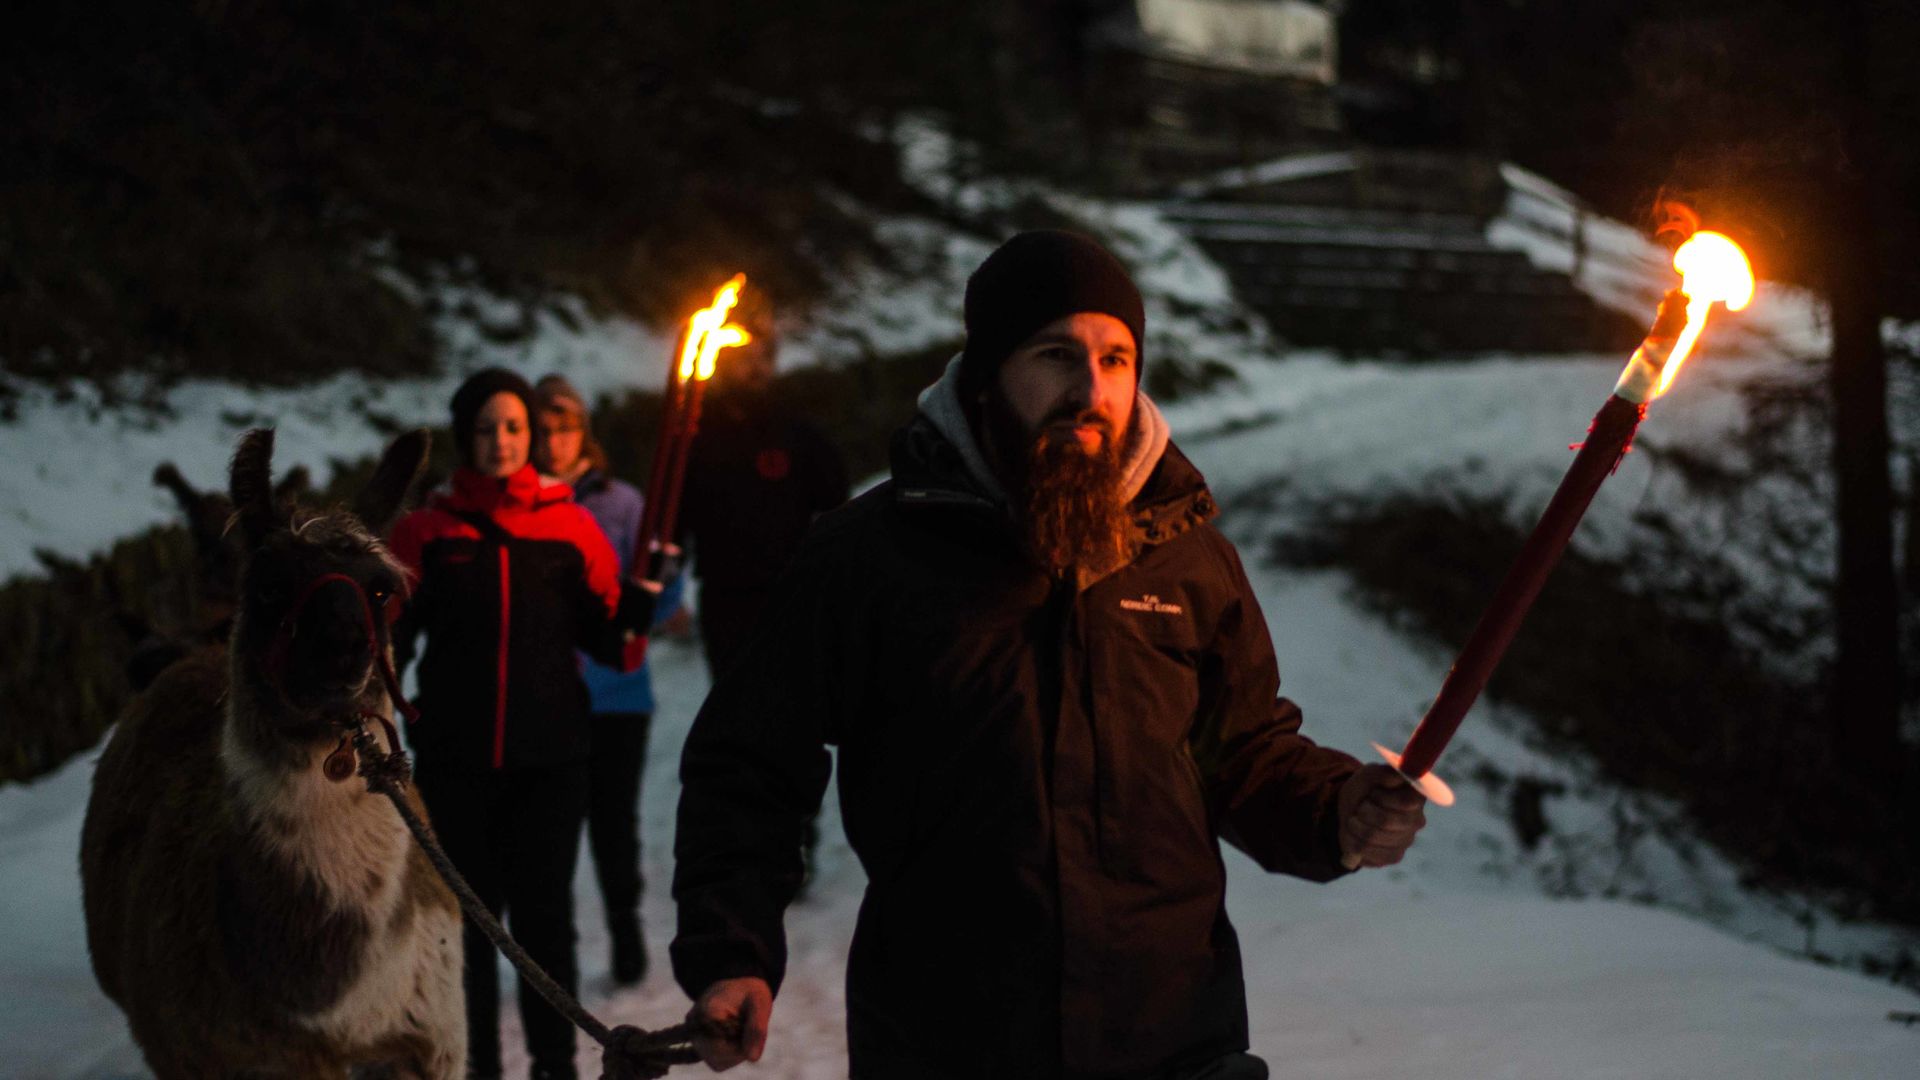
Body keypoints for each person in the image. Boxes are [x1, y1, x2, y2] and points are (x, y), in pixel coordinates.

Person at [671, 231, 1428, 1079]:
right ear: (991, 373)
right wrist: (732, 950)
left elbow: (1243, 752)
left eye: (1116, 359)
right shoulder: (867, 560)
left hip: (1173, 1040)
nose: (1091, 389)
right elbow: (750, 762)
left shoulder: (1188, 557)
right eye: (1056, 355)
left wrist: (1337, 811)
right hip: (948, 1044)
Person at [388, 368, 653, 1080]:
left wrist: (638, 606)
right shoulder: (425, 533)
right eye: (486, 428)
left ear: (530, 435)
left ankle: (554, 1066)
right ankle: (476, 1070)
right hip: (455, 765)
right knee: (465, 933)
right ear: (464, 437)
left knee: (544, 928)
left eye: (513, 427)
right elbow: (386, 641)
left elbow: (615, 647)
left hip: (551, 765)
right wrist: (400, 707)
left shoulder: (570, 524)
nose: (501, 441)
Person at [531, 373, 684, 987]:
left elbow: (659, 596)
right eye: (543, 429)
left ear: (582, 432)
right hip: (545, 695)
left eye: (565, 428)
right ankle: (555, 954)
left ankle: (627, 940)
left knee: (614, 823)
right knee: (552, 830)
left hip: (618, 692)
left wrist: (666, 576)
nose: (555, 441)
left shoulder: (621, 503)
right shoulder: (522, 504)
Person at [676, 288, 849, 679]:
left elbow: (836, 512)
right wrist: (666, 582)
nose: (756, 369)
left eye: (764, 358)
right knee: (733, 705)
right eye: (744, 359)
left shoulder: (801, 435)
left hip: (791, 594)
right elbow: (674, 518)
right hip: (724, 597)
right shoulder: (695, 437)